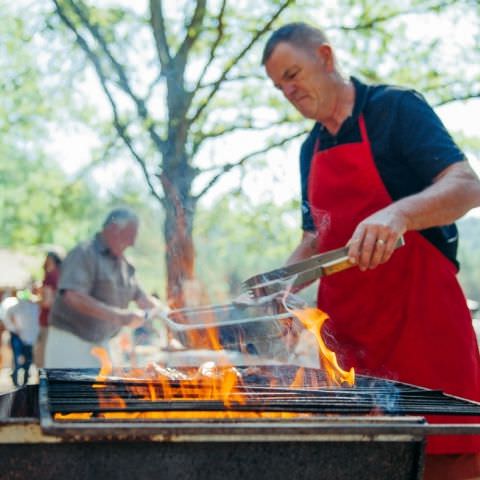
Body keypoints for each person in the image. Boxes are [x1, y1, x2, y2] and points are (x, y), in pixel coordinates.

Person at [261, 22, 480, 478]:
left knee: (448, 459)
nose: (289, 91)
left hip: (423, 331)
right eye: (280, 85)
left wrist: (397, 215)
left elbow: (465, 185)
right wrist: (278, 288)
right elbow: (316, 238)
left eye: (293, 74)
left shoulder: (395, 109)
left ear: (325, 56)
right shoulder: (309, 149)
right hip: (351, 349)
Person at [45, 208, 163, 368]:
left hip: (105, 344)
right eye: (130, 235)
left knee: (105, 393)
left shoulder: (125, 264)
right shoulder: (84, 253)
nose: (132, 242)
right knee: (68, 392)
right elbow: (72, 296)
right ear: (113, 229)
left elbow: (140, 296)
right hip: (71, 342)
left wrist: (160, 309)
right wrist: (121, 317)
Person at [1, 290, 40, 386]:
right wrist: (14, 329)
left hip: (28, 338)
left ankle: (25, 381)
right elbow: (7, 319)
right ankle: (16, 380)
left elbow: (36, 323)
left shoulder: (34, 308)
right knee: (18, 359)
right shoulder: (15, 308)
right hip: (18, 336)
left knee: (27, 360)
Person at [35, 251, 63, 368]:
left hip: (47, 321)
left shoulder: (50, 275)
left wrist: (35, 300)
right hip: (60, 322)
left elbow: (47, 302)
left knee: (42, 360)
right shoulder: (63, 275)